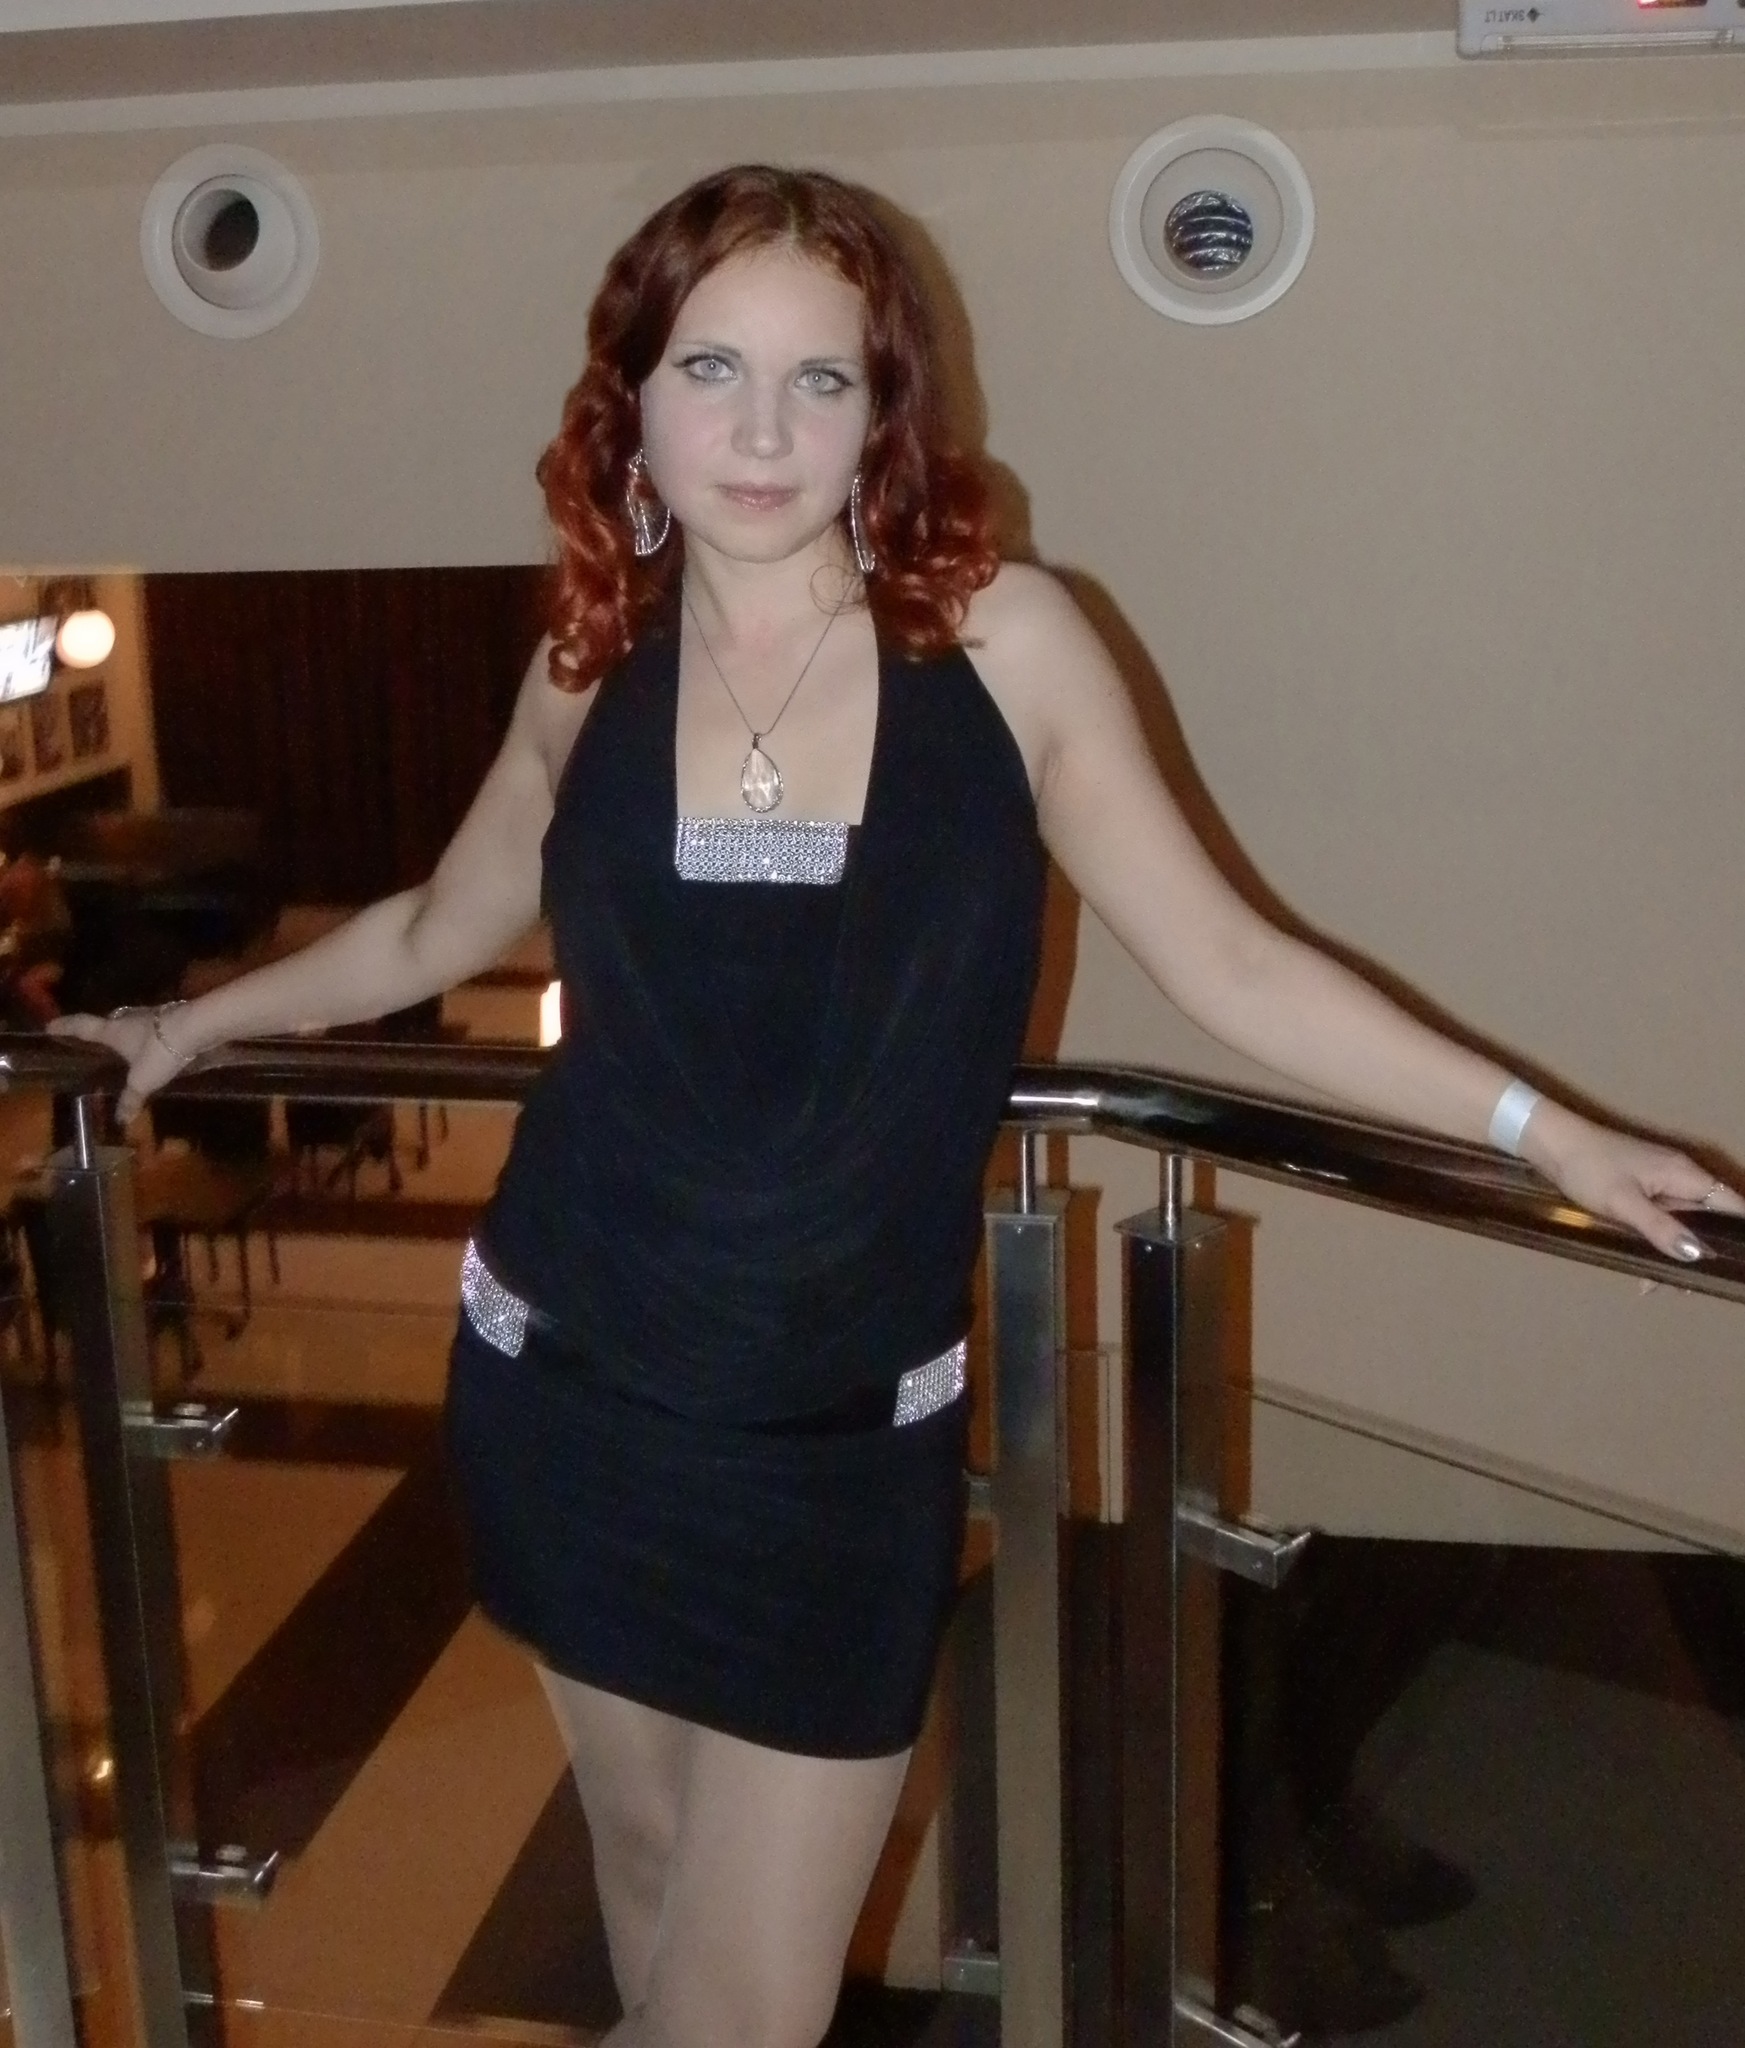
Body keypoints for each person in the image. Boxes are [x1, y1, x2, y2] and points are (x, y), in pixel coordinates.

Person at [50, 165, 1741, 2048]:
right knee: (649, 1912)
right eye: (710, 370)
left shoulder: (1003, 644)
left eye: (821, 379)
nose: (763, 434)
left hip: (840, 1464)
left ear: (884, 411)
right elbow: (434, 927)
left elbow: (1234, 963)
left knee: (742, 2012)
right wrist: (186, 1025)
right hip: (564, 1398)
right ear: (630, 403)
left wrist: (1544, 1133)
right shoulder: (587, 664)